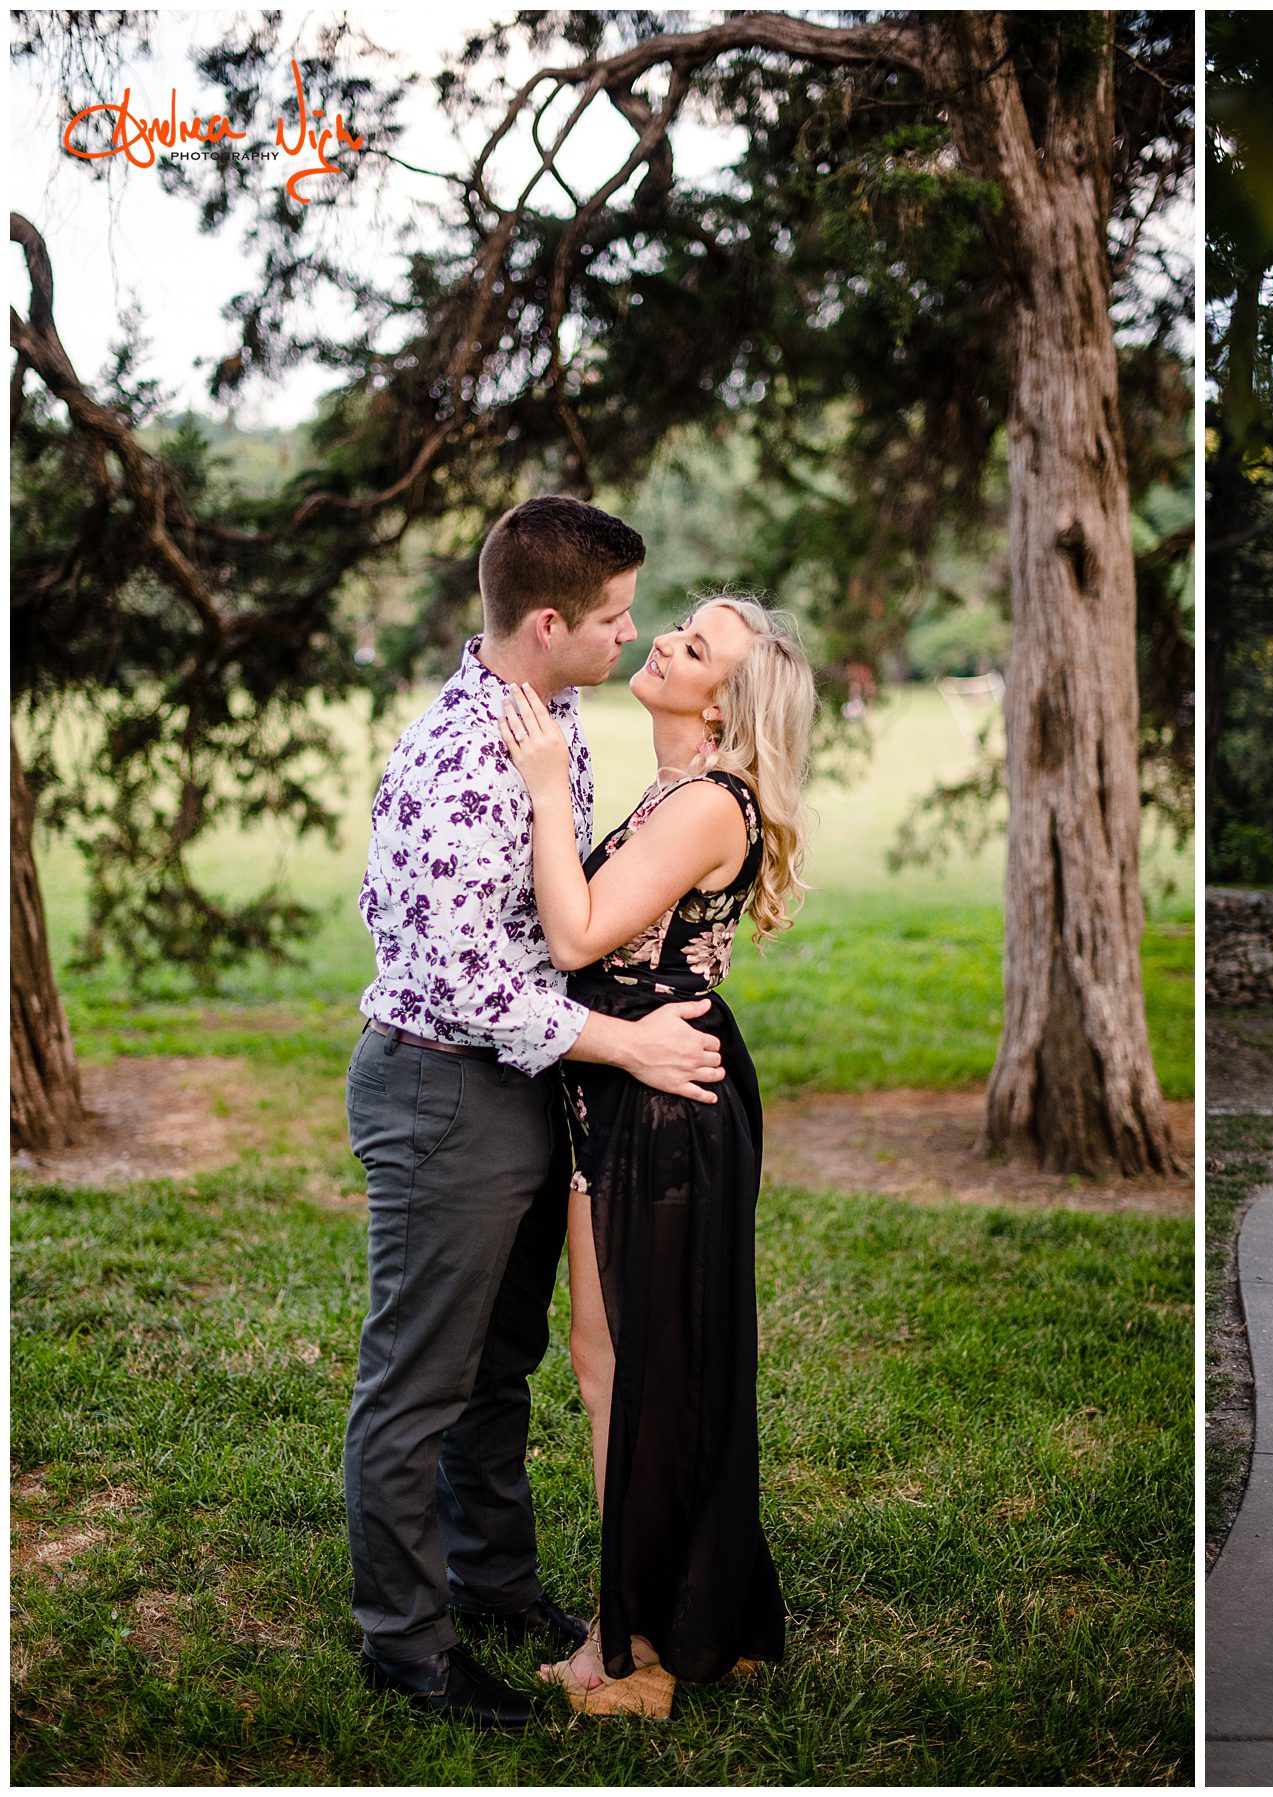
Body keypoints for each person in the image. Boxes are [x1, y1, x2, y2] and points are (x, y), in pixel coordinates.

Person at [345, 496, 728, 1730]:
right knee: (419, 1381)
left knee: (498, 1365)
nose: (629, 637)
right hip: (440, 1086)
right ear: (550, 622)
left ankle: (495, 1583)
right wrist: (626, 1041)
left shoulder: (551, 715)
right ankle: (406, 1645)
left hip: (518, 1083)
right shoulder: (467, 752)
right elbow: (460, 974)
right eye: (614, 619)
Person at [498, 591, 814, 1717]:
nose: (666, 642)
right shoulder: (682, 791)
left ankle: (630, 1655)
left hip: (658, 1102)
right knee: (639, 1363)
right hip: (635, 1082)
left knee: (615, 1366)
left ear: (724, 704)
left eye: (696, 644)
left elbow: (580, 935)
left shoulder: (705, 804)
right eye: (678, 624)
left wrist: (541, 790)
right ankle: (693, 1616)